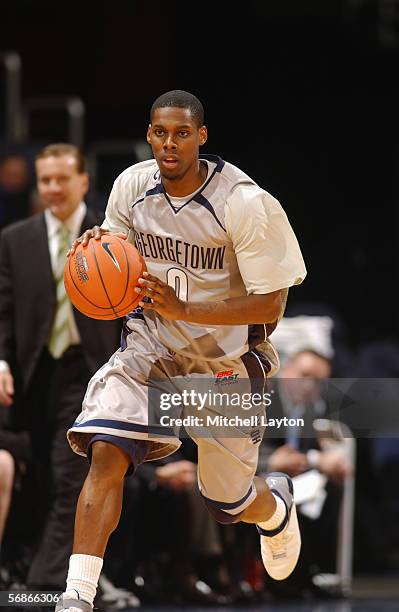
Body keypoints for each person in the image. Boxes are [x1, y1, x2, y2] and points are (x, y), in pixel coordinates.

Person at [56, 90, 307, 612]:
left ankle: (276, 507)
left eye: (182, 133)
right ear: (150, 135)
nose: (170, 144)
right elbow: (115, 261)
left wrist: (185, 306)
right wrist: (93, 264)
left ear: (201, 137)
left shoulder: (244, 203)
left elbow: (272, 305)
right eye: (160, 133)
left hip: (224, 363)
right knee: (107, 447)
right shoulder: (130, 186)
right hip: (150, 346)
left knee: (227, 502)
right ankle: (75, 598)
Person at [0, 143, 121, 589]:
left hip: (89, 371)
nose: (51, 188)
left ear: (83, 181)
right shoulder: (15, 239)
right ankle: (55, 576)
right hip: (32, 374)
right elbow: (4, 311)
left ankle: (45, 585)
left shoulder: (111, 236)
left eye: (61, 179)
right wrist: (1, 362)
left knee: (74, 476)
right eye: (44, 179)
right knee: (45, 478)